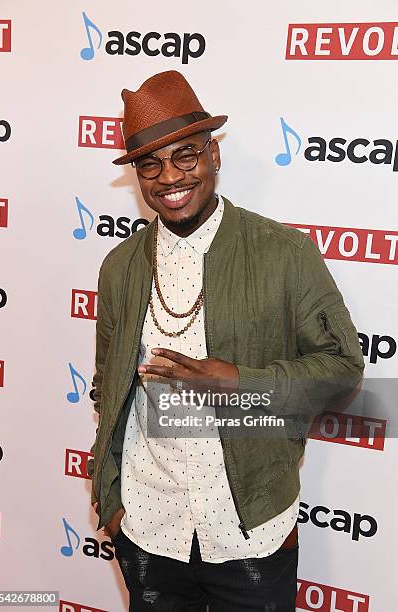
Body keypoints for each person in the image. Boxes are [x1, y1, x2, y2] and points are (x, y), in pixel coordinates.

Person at [87, 70, 364, 611]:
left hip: (251, 531)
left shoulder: (285, 252)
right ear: (138, 176)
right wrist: (112, 498)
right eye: (151, 164)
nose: (170, 177)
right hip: (147, 526)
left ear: (213, 154)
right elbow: (106, 385)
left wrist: (240, 381)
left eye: (185, 156)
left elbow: (343, 368)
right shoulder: (119, 267)